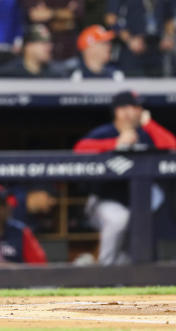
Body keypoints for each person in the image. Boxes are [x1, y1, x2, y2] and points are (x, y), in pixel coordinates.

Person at [74, 90, 176, 265]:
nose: (138, 111)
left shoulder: (145, 134)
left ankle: (126, 282)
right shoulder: (106, 132)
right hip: (104, 201)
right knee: (119, 219)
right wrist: (116, 143)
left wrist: (149, 124)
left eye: (138, 107)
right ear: (119, 111)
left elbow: (172, 146)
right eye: (133, 107)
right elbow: (80, 149)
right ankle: (104, 274)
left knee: (132, 249)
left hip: (138, 203)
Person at [0, 24, 65, 78]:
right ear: (28, 46)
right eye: (43, 43)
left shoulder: (56, 74)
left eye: (50, 42)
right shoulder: (9, 74)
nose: (50, 47)